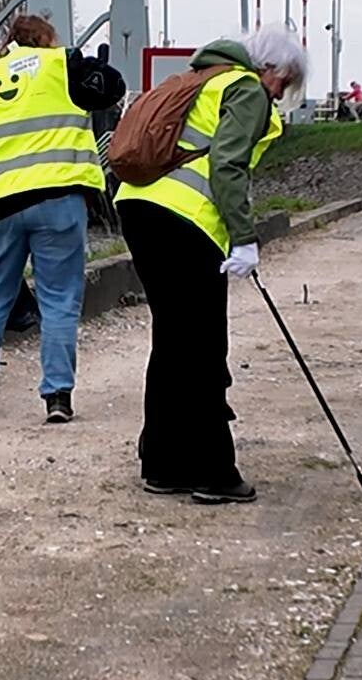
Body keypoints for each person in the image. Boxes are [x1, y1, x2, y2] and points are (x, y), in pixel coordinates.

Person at [115, 27, 307, 504]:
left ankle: (162, 465)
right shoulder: (246, 89)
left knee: (172, 341)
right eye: (283, 82)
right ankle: (213, 472)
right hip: (187, 222)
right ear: (269, 69)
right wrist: (244, 237)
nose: (280, 94)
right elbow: (227, 164)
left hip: (139, 209)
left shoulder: (204, 78)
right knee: (202, 346)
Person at [0, 15, 125, 423]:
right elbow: (112, 87)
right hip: (58, 198)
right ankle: (57, 395)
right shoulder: (64, 64)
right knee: (59, 298)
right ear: (46, 40)